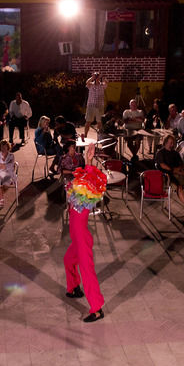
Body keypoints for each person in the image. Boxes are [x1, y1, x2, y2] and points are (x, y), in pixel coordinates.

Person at [64, 144, 107, 322]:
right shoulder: (77, 197)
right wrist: (88, 159)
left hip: (82, 240)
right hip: (76, 239)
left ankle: (97, 309)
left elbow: (88, 176)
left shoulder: (85, 201)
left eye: (83, 183)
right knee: (68, 260)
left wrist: (89, 163)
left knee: (87, 272)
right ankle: (74, 288)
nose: (78, 183)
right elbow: (84, 176)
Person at [155, 135, 184, 212]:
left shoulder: (175, 153)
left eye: (173, 143)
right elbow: (162, 165)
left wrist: (179, 169)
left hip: (178, 173)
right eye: (170, 143)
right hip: (168, 176)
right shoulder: (160, 153)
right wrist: (173, 170)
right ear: (165, 143)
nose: (172, 145)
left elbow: (181, 164)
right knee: (179, 186)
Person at [83, 72, 108, 139]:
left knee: (99, 122)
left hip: (99, 106)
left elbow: (106, 83)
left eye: (97, 76)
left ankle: (99, 137)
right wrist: (92, 77)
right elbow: (87, 82)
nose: (97, 77)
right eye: (96, 76)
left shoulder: (102, 85)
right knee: (88, 121)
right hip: (91, 105)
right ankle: (85, 135)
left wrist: (102, 78)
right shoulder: (91, 85)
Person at [0, 140, 16, 206]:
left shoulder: (11, 156)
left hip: (8, 174)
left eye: (5, 147)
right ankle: (2, 198)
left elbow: (12, 167)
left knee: (6, 185)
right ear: (0, 148)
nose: (3, 149)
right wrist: (6, 165)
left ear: (8, 147)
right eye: (2, 147)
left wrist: (4, 166)